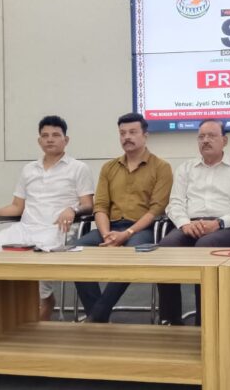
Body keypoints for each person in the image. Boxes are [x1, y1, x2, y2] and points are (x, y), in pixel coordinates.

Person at [0, 115, 94, 320]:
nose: (50, 139)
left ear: (66, 140)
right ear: (39, 141)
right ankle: (3, 309)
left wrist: (72, 209)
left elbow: (88, 204)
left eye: (55, 135)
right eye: (45, 135)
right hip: (26, 228)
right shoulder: (29, 169)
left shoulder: (78, 168)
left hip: (57, 230)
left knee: (37, 259)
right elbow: (17, 207)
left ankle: (46, 300)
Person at [74, 113, 173, 323]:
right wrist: (106, 235)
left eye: (132, 132)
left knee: (132, 253)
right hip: (109, 228)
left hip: (142, 229)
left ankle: (98, 314)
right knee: (76, 250)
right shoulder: (109, 168)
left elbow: (156, 209)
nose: (127, 137)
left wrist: (127, 234)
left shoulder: (161, 167)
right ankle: (98, 315)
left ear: (145, 135)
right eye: (122, 133)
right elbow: (100, 206)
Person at [157, 119, 230, 325]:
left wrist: (218, 223)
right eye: (201, 137)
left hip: (225, 227)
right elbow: (175, 204)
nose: (205, 140)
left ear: (224, 141)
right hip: (190, 224)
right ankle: (171, 319)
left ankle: (205, 321)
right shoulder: (186, 169)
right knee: (165, 247)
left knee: (204, 247)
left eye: (211, 136)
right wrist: (185, 224)